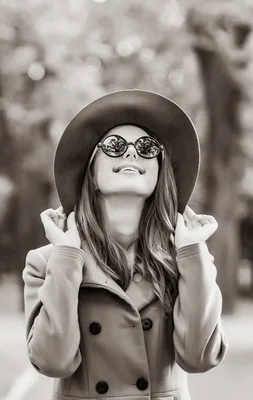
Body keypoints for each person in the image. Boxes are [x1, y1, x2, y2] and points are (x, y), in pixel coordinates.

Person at [22, 89, 228, 400]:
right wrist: (67, 258)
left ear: (160, 172)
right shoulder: (46, 262)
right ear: (91, 170)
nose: (131, 154)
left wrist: (193, 254)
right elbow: (53, 362)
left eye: (147, 147)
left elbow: (199, 358)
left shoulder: (185, 259)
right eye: (115, 146)